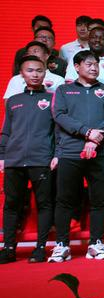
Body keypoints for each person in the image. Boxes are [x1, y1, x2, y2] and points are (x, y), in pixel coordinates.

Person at [48, 51, 104, 262]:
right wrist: (86, 132)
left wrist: (94, 139)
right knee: (65, 200)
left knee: (99, 200)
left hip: (100, 152)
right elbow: (59, 115)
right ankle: (62, 244)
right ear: (76, 67)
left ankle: (96, 243)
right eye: (88, 64)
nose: (94, 68)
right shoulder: (64, 90)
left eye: (96, 64)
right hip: (70, 152)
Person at [0, 56, 55, 264]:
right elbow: (6, 131)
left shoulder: (53, 99)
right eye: (30, 70)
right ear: (21, 74)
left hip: (42, 159)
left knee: (44, 204)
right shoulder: (14, 101)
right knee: (11, 204)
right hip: (14, 160)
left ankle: (40, 248)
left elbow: (58, 131)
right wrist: (2, 156)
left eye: (39, 70)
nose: (35, 74)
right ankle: (8, 248)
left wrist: (56, 155)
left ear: (45, 73)